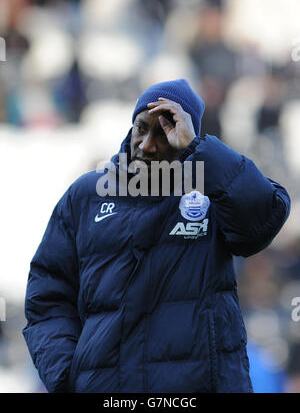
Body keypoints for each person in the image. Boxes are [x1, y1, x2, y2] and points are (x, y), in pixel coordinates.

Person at [22, 79, 290, 393]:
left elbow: (264, 219)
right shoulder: (87, 195)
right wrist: (69, 375)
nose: (147, 145)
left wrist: (199, 150)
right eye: (141, 128)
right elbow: (47, 297)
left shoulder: (210, 189)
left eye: (164, 133)